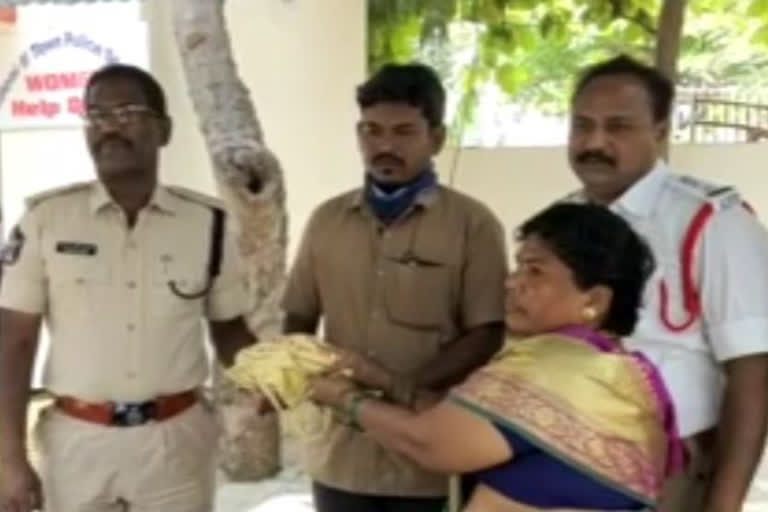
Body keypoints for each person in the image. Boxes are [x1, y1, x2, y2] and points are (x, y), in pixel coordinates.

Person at [310, 202, 685, 511]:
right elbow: (465, 423)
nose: (511, 282)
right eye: (518, 266)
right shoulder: (608, 370)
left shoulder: (556, 366)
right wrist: (375, 377)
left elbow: (432, 442)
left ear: (594, 300)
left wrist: (339, 398)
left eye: (535, 271)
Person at [0, 64, 256, 512]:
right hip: (78, 445)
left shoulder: (206, 225)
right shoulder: (45, 220)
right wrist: (8, 460)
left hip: (176, 444)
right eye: (96, 116)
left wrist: (275, 376)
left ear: (164, 130)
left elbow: (229, 328)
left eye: (126, 113)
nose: (108, 129)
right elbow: (13, 342)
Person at [281, 62, 508, 512]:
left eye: (404, 132)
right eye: (371, 131)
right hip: (341, 454)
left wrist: (399, 389)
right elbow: (300, 315)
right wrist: (293, 371)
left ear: (436, 139)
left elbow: (487, 332)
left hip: (429, 454)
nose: (384, 146)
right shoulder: (327, 221)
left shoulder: (473, 225)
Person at [565, 54, 768, 512]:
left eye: (618, 126)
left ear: (660, 131)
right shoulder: (564, 224)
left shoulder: (712, 222)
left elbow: (752, 374)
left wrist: (723, 505)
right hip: (571, 467)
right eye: (582, 125)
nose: (595, 141)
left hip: (669, 473)